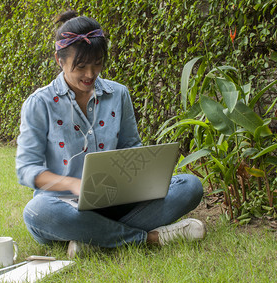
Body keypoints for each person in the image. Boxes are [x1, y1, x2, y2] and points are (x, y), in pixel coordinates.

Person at [16, 10, 206, 258]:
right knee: (36, 211)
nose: (90, 74)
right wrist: (73, 185)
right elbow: (27, 169)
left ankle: (95, 240)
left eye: (97, 63)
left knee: (190, 186)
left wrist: (144, 177)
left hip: (119, 202)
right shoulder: (38, 103)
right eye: (81, 66)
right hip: (65, 207)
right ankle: (148, 237)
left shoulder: (118, 94)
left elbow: (131, 146)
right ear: (59, 60)